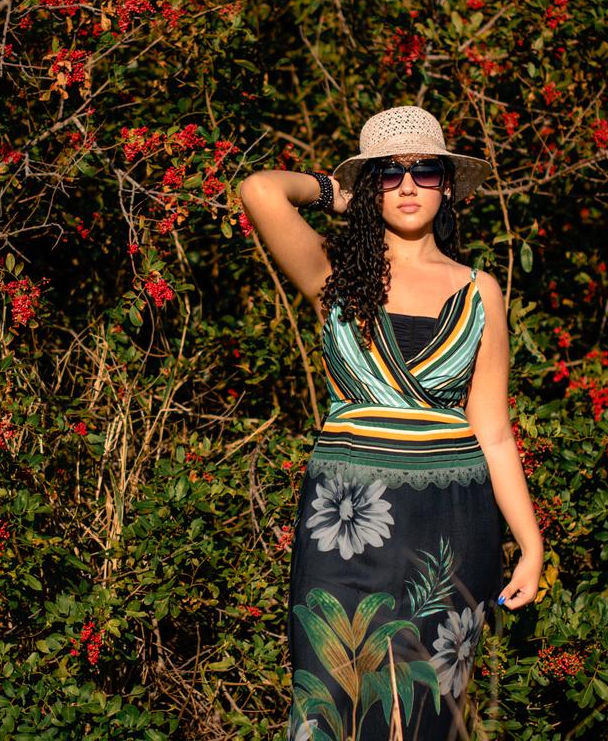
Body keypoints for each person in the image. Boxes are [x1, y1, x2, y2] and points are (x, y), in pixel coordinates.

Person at [239, 106, 543, 741]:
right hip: (343, 527)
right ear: (369, 186)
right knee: (328, 706)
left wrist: (531, 544)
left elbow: (493, 431)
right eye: (389, 174)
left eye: (424, 170)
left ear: (447, 185)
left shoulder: (480, 290)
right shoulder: (333, 278)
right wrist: (335, 192)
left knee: (426, 717)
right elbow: (260, 190)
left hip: (449, 531)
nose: (408, 186)